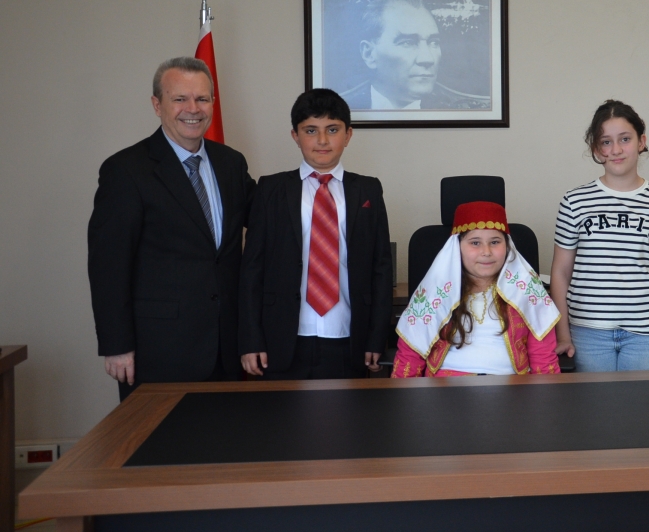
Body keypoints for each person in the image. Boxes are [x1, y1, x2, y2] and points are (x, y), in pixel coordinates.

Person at [88, 57, 256, 400]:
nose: (192, 109)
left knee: (228, 434)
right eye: (180, 98)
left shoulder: (231, 163)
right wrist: (116, 345)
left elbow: (267, 221)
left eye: (202, 99)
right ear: (157, 105)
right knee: (159, 437)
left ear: (212, 104)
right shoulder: (126, 170)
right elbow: (108, 266)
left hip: (227, 348)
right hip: (159, 352)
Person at [239, 88, 393, 379]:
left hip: (349, 336)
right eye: (311, 130)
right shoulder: (271, 189)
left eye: (332, 130)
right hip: (281, 338)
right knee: (281, 409)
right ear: (295, 136)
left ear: (348, 135)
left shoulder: (368, 189)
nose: (322, 140)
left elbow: (381, 268)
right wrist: (250, 339)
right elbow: (252, 269)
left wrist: (377, 338)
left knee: (348, 409)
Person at [549, 100, 649, 372]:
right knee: (593, 403)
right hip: (587, 334)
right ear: (596, 149)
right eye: (606, 142)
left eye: (625, 139)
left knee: (644, 403)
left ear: (641, 142)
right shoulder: (574, 202)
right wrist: (563, 335)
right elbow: (560, 273)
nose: (616, 150)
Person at [392, 201, 560, 377]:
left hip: (511, 387)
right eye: (475, 243)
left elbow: (544, 357)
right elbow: (410, 355)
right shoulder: (435, 293)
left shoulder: (527, 291)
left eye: (495, 242)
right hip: (445, 387)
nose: (486, 251)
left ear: (507, 246)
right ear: (457, 247)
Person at [339, 0, 490, 111]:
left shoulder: (471, 110)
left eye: (433, 42)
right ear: (369, 54)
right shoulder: (336, 110)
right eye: (408, 43)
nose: (428, 59)